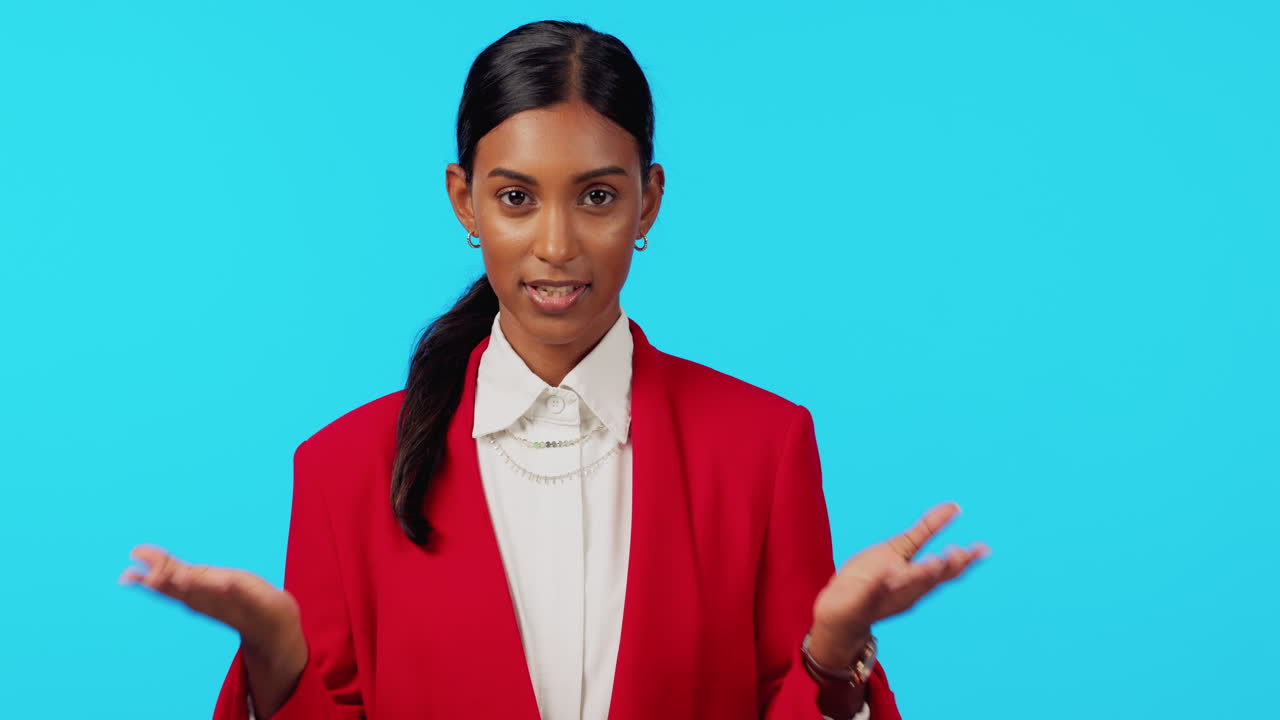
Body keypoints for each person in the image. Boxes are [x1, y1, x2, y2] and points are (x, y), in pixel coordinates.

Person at [119, 19, 988, 720]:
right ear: (464, 199)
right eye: (516, 197)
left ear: (650, 199)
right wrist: (277, 663)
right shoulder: (343, 466)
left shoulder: (764, 446)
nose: (558, 245)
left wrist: (831, 654)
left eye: (598, 197)